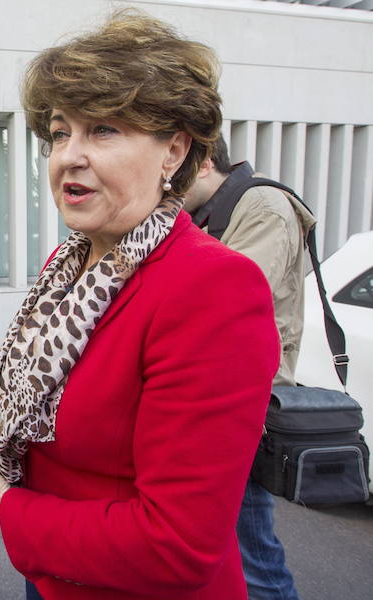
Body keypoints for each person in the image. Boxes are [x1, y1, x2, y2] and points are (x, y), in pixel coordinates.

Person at [0, 11, 280, 600]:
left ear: (174, 150)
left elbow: (176, 545)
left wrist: (10, 506)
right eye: (58, 132)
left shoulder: (214, 287)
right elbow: (27, 387)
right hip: (55, 574)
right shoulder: (71, 262)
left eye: (103, 129)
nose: (68, 156)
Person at [184, 137, 315, 600]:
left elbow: (224, 300)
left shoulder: (263, 206)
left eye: (171, 174)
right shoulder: (211, 212)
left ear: (199, 163)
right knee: (227, 547)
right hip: (215, 397)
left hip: (241, 404)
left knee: (251, 552)